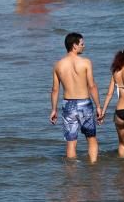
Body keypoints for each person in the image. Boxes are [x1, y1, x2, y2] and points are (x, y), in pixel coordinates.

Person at [50, 32, 102, 162]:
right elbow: (92, 86)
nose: (84, 46)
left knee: (71, 141)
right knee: (91, 138)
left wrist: (54, 109)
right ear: (74, 46)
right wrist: (98, 107)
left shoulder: (58, 65)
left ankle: (72, 175)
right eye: (82, 44)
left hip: (68, 105)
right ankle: (93, 168)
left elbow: (55, 89)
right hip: (84, 104)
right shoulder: (85, 62)